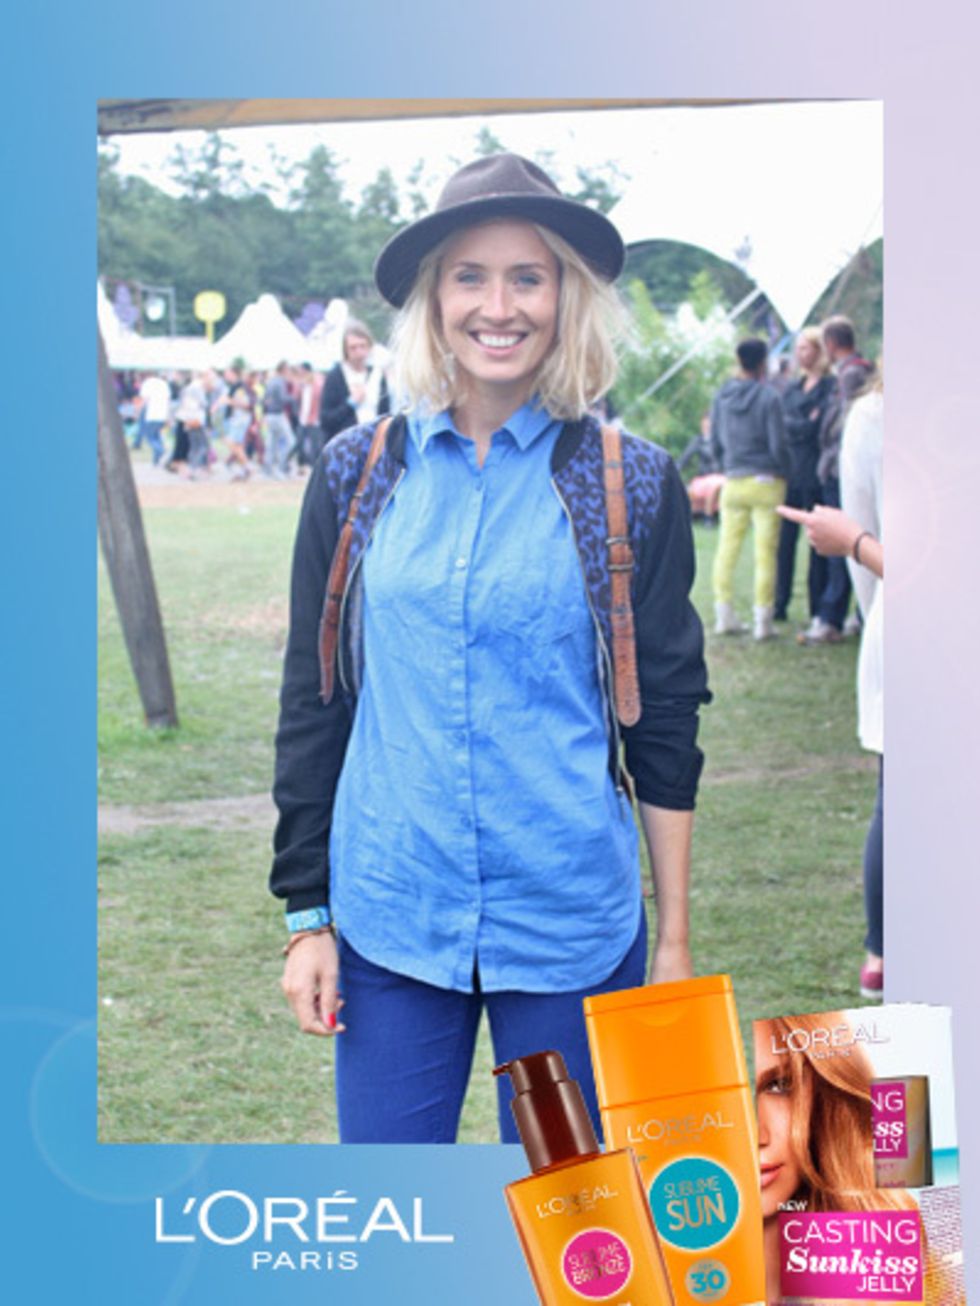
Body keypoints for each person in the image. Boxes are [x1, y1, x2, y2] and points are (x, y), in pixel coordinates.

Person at [270, 153, 710, 1145]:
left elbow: (667, 722)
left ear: (566, 296)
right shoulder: (355, 474)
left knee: (572, 1243)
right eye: (468, 275)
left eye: (528, 275)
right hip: (390, 918)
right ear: (432, 300)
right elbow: (315, 697)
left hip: (569, 925)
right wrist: (308, 915)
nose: (497, 305)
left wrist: (673, 938)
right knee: (394, 1230)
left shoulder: (630, 483)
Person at [779, 375, 884, 996]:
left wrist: (859, 547)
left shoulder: (872, 416)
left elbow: (861, 543)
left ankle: (882, 948)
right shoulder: (872, 415)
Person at [800, 315, 875, 645]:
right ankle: (855, 616)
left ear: (830, 344)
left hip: (840, 469)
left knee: (843, 541)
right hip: (839, 466)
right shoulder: (863, 369)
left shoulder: (851, 374)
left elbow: (845, 423)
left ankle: (833, 617)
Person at [710, 337, 790, 640]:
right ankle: (762, 621)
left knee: (726, 550)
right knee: (765, 554)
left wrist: (724, 465)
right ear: (762, 362)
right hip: (766, 480)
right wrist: (785, 470)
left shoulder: (721, 397)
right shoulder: (769, 398)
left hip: (734, 479)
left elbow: (714, 439)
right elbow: (777, 443)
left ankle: (724, 614)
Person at [774, 328, 837, 622]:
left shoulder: (829, 386)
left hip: (816, 475)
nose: (801, 354)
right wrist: (804, 422)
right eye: (798, 348)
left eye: (806, 348)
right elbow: (785, 425)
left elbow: (819, 426)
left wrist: (801, 424)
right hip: (791, 473)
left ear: (819, 350)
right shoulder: (793, 387)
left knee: (817, 545)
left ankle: (817, 608)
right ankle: (779, 603)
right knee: (784, 543)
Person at [318, 320, 391, 446]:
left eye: (363, 346)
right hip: (345, 448)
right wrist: (350, 404)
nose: (359, 352)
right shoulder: (336, 376)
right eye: (353, 348)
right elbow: (326, 420)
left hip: (373, 446)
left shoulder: (377, 375)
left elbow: (386, 415)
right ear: (345, 350)